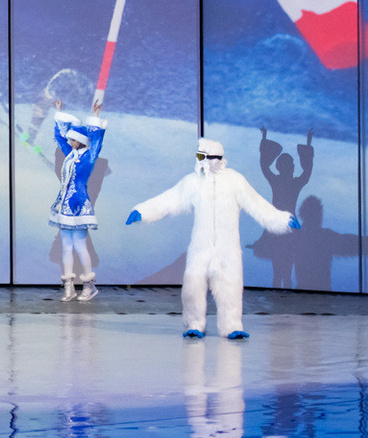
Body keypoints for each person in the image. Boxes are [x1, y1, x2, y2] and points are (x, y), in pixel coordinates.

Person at [127, 137, 298, 339]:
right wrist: (143, 211)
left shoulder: (235, 181)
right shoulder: (193, 182)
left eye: (202, 157)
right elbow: (169, 200)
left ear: (214, 159)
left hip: (228, 248)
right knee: (193, 285)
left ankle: (232, 326)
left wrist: (282, 220)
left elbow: (257, 205)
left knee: (231, 285)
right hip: (200, 247)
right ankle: (194, 323)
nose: (198, 161)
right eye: (198, 156)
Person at [50, 105, 106, 301]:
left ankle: (89, 287)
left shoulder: (89, 157)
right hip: (64, 206)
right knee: (66, 246)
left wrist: (95, 117)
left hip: (79, 205)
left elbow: (97, 141)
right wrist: (60, 114)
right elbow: (60, 138)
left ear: (80, 141)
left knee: (80, 246)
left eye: (72, 139)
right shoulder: (70, 154)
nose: (69, 141)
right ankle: (69, 288)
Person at [257, 126, 313, 214]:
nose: (293, 167)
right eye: (291, 164)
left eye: (292, 164)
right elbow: (307, 171)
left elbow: (264, 167)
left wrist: (264, 137)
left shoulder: (276, 181)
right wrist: (308, 143)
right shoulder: (294, 184)